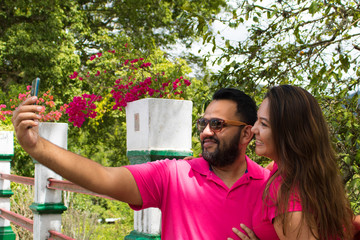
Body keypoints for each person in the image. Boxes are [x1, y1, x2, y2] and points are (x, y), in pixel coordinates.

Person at [12, 88, 270, 239]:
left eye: (217, 124)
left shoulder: (272, 187)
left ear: (247, 133)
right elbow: (103, 177)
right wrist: (37, 146)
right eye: (203, 123)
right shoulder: (173, 175)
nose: (205, 132)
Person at [229, 85, 354, 240]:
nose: (254, 129)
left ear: (289, 134)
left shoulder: (284, 191)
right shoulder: (304, 170)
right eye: (257, 120)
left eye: (264, 124)